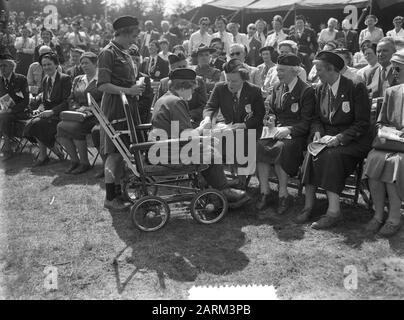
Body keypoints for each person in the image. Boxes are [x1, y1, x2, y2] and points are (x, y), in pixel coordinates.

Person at [150, 68, 250, 207]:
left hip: (163, 148)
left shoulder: (165, 98)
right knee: (211, 152)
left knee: (206, 147)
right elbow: (187, 136)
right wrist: (202, 129)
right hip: (170, 153)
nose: (193, 91)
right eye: (192, 88)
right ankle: (223, 190)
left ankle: (213, 188)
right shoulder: (176, 102)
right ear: (184, 86)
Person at [299, 51, 371, 229]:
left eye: (319, 69)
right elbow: (316, 118)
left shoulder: (355, 86)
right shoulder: (320, 88)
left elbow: (362, 123)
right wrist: (317, 132)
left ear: (332, 69)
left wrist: (340, 138)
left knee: (331, 155)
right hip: (327, 138)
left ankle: (333, 212)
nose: (316, 74)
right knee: (312, 150)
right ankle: (309, 205)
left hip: (353, 140)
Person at [256, 53, 315, 213]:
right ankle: (264, 191)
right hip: (276, 131)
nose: (279, 74)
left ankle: (283, 194)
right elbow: (272, 111)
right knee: (259, 145)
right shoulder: (277, 87)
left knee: (281, 148)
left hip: (296, 135)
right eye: (278, 70)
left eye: (282, 70)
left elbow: (306, 122)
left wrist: (289, 129)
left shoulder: (306, 91)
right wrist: (270, 120)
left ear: (295, 71)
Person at [97, 16, 145, 211]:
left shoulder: (123, 52)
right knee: (115, 152)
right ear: (124, 33)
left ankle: (119, 192)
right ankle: (110, 197)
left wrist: (136, 85)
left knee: (123, 151)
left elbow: (125, 79)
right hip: (116, 107)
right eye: (133, 35)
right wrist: (129, 90)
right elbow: (103, 85)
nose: (135, 39)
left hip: (127, 105)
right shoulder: (108, 53)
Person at [201, 59, 266, 185]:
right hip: (228, 127)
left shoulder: (254, 91)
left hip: (249, 129)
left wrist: (244, 125)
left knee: (240, 138)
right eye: (228, 80)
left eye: (234, 81)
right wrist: (207, 119)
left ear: (243, 79)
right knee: (208, 139)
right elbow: (210, 107)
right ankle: (210, 180)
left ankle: (241, 181)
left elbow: (259, 115)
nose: (230, 84)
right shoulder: (220, 88)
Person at [362, 49, 404, 237]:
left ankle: (394, 218)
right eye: (393, 69)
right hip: (391, 143)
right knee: (374, 159)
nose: (394, 72)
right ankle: (379, 215)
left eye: (398, 69)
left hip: (401, 150)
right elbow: (381, 121)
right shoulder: (391, 92)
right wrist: (386, 130)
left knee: (395, 164)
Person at [56, 52, 102, 175]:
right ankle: (74, 161)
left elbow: (106, 99)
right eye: (82, 63)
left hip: (97, 115)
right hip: (79, 114)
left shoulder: (102, 79)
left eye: (87, 63)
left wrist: (89, 109)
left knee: (75, 128)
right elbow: (71, 98)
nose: (84, 66)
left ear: (95, 63)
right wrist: (77, 108)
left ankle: (85, 163)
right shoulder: (78, 79)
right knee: (61, 126)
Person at [23, 52, 72, 166]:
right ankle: (51, 150)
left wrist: (52, 111)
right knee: (30, 123)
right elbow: (45, 100)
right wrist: (40, 108)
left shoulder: (65, 79)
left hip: (60, 114)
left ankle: (46, 154)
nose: (46, 67)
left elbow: (67, 102)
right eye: (44, 65)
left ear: (56, 65)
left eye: (49, 64)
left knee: (37, 124)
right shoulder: (46, 79)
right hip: (48, 114)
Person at [156, 53, 207, 124]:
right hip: (171, 125)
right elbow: (159, 108)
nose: (182, 70)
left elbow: (204, 106)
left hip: (193, 121)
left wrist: (189, 115)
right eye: (179, 68)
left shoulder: (197, 81)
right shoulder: (165, 83)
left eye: (184, 66)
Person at [0, 52, 29, 160]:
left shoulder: (21, 79)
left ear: (12, 67)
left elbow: (25, 101)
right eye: (0, 66)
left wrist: (10, 110)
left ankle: (7, 149)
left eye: (4, 65)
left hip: (21, 111)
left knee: (4, 117)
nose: (2, 68)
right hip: (4, 112)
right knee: (3, 117)